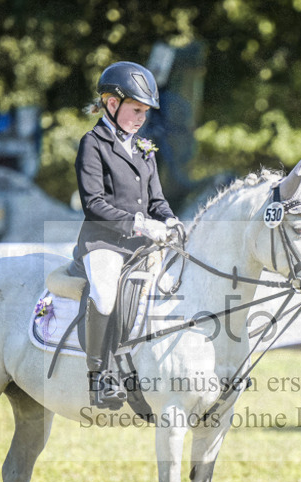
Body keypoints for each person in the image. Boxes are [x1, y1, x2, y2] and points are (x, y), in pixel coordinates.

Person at [75, 61, 183, 408]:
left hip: (141, 243)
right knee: (105, 294)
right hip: (103, 241)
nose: (141, 118)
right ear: (111, 104)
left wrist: (170, 221)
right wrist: (139, 224)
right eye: (136, 110)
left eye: (145, 112)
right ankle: (99, 376)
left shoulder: (144, 148)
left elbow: (157, 200)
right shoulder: (93, 144)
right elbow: (93, 203)